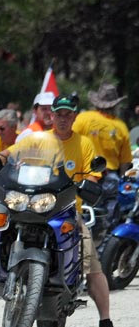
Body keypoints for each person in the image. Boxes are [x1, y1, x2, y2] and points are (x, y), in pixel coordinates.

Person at [0, 94, 119, 327]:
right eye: (59, 113)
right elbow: (9, 154)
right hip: (29, 204)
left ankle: (106, 321)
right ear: (52, 116)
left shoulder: (84, 144)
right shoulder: (38, 140)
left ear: (74, 116)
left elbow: (92, 173)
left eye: (68, 114)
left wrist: (87, 183)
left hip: (64, 208)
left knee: (91, 262)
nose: (63, 118)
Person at [72, 83, 133, 231]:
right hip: (110, 177)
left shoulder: (83, 118)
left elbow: (69, 141)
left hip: (84, 174)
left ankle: (82, 246)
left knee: (83, 213)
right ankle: (103, 251)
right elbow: (125, 162)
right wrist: (123, 178)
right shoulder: (121, 126)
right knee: (108, 217)